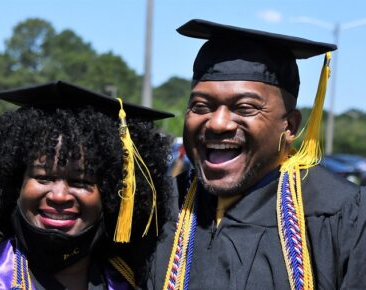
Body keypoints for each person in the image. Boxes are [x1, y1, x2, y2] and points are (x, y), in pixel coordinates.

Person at [148, 19, 366, 289]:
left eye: (245, 108)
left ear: (290, 126)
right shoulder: (159, 208)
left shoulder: (342, 216)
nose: (218, 123)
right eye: (202, 106)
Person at [0, 80, 173, 289]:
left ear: (114, 194)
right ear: (14, 184)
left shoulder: (135, 282)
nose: (59, 195)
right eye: (43, 178)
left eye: (80, 181)